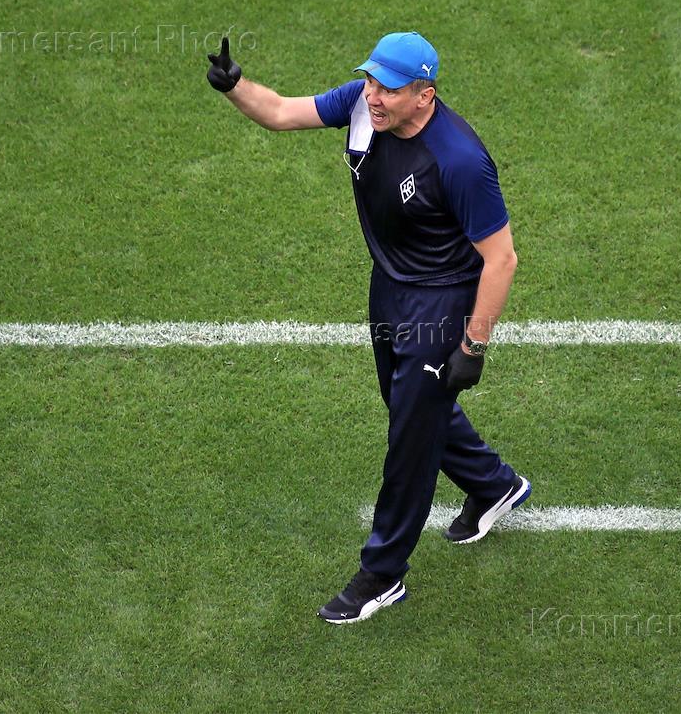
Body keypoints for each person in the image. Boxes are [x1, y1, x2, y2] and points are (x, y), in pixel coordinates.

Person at [207, 31, 530, 624]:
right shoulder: (361, 104)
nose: (374, 96)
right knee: (407, 404)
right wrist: (234, 86)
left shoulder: (459, 160)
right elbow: (280, 112)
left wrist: (473, 343)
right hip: (390, 285)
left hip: (441, 300)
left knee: (410, 438)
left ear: (424, 96)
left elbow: (502, 258)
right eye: (372, 81)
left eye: (390, 88)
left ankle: (382, 574)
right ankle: (494, 485)